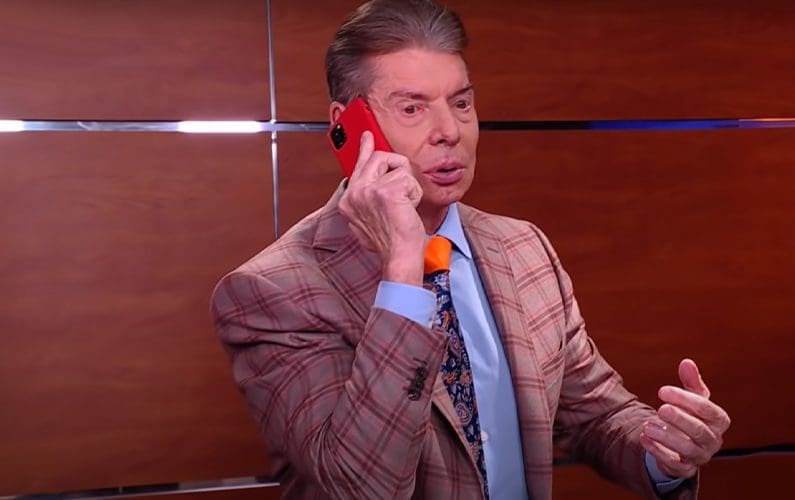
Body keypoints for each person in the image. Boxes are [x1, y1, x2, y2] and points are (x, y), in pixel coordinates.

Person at [211, 1, 730, 498]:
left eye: (461, 104)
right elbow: (362, 486)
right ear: (348, 127)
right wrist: (403, 268)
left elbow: (597, 415)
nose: (449, 132)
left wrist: (662, 452)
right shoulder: (270, 292)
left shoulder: (524, 248)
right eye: (412, 108)